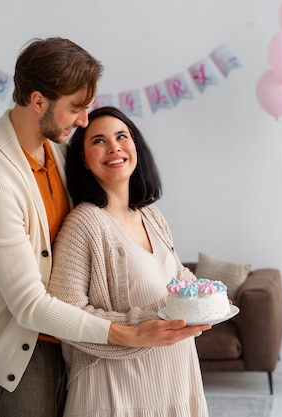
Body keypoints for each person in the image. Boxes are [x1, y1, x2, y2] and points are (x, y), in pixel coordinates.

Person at [0, 38, 210, 417]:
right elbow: (29, 305)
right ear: (38, 101)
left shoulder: (56, 151)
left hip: (70, 338)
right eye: (76, 108)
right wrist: (130, 333)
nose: (84, 121)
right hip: (18, 351)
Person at [47, 106, 209, 416]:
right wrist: (139, 327)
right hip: (117, 390)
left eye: (122, 136)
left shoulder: (151, 215)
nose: (114, 147)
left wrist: (207, 297)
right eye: (98, 141)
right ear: (83, 158)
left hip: (175, 378)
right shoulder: (84, 224)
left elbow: (175, 275)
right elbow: (63, 314)